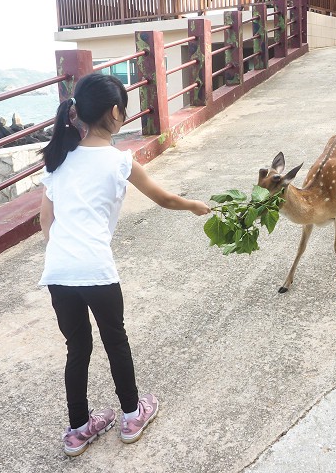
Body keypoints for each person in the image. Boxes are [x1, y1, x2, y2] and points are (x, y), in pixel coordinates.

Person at [38, 73, 210, 457]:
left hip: (59, 273)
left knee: (77, 347)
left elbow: (45, 223)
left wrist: (63, 254)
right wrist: (195, 205)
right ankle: (132, 416)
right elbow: (163, 199)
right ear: (116, 113)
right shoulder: (119, 162)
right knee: (116, 341)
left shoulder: (57, 161)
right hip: (97, 271)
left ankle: (78, 429)